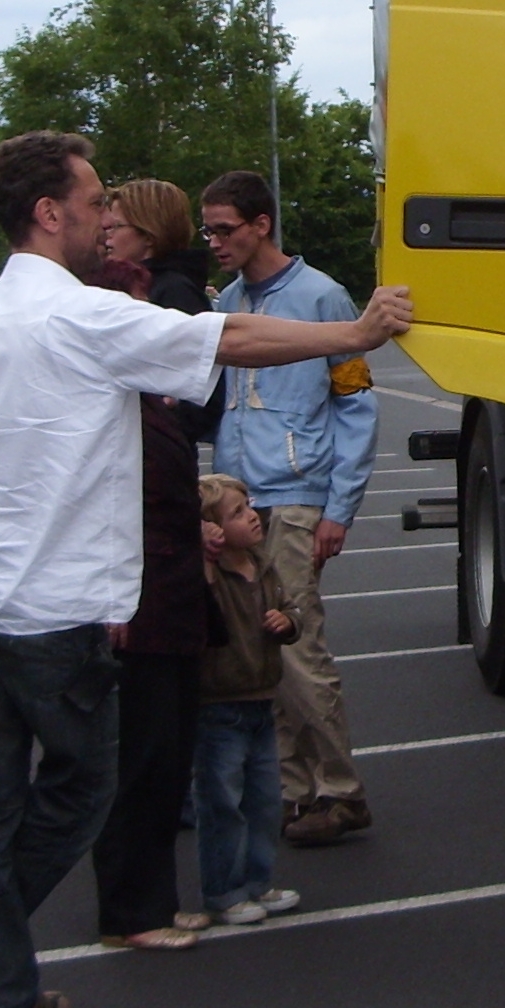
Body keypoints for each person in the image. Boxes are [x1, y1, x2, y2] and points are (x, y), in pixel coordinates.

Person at [0, 132, 411, 1008]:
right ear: (48, 214)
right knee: (85, 788)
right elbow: (231, 335)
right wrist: (356, 334)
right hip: (54, 608)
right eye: (89, 202)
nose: (102, 218)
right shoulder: (83, 317)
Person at [199, 169, 379, 847]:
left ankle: (341, 788)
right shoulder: (234, 302)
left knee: (297, 646)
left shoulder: (321, 296)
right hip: (241, 497)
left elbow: (356, 403)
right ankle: (294, 790)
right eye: (207, 229)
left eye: (225, 228)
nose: (214, 241)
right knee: (258, 649)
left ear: (261, 224)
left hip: (298, 496)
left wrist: (340, 508)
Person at [85, 180, 214, 954]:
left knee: (165, 752)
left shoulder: (152, 389)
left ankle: (153, 901)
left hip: (165, 581)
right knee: (141, 755)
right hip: (136, 591)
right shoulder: (115, 400)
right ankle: (131, 912)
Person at [194, 474, 300, 927]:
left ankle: (259, 881)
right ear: (212, 529)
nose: (251, 516)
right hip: (219, 705)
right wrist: (204, 554)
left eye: (248, 506)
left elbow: (291, 606)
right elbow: (201, 610)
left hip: (261, 700)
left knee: (263, 801)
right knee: (222, 802)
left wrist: (288, 621)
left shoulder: (262, 563)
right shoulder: (212, 574)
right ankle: (225, 889)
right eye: (235, 513)